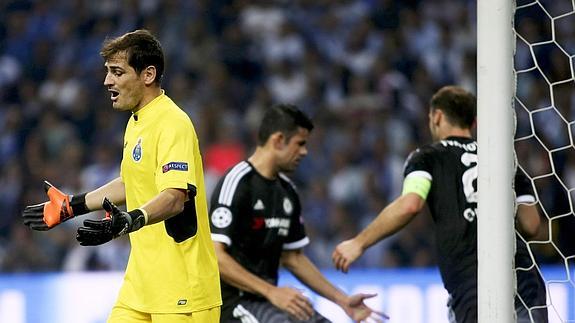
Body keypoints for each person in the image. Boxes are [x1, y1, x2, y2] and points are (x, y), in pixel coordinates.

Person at [22, 29, 221, 322]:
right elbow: (131, 183)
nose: (107, 81)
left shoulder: (173, 123)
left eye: (117, 72)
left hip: (183, 288)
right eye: (107, 72)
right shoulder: (136, 122)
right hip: (140, 285)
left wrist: (129, 220)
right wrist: (72, 206)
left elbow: (174, 197)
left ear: (148, 74)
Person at [332, 86, 547, 323]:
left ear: (437, 116)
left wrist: (359, 243)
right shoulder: (504, 159)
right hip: (523, 280)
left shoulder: (426, 157)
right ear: (473, 122)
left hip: (472, 284)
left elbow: (411, 204)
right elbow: (531, 225)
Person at [209, 104, 386, 322]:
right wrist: (271, 291)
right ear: (278, 140)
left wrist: (342, 300)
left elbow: (293, 257)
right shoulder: (238, 183)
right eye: (300, 144)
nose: (304, 152)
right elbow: (215, 256)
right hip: (232, 303)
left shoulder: (287, 191)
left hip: (269, 301)